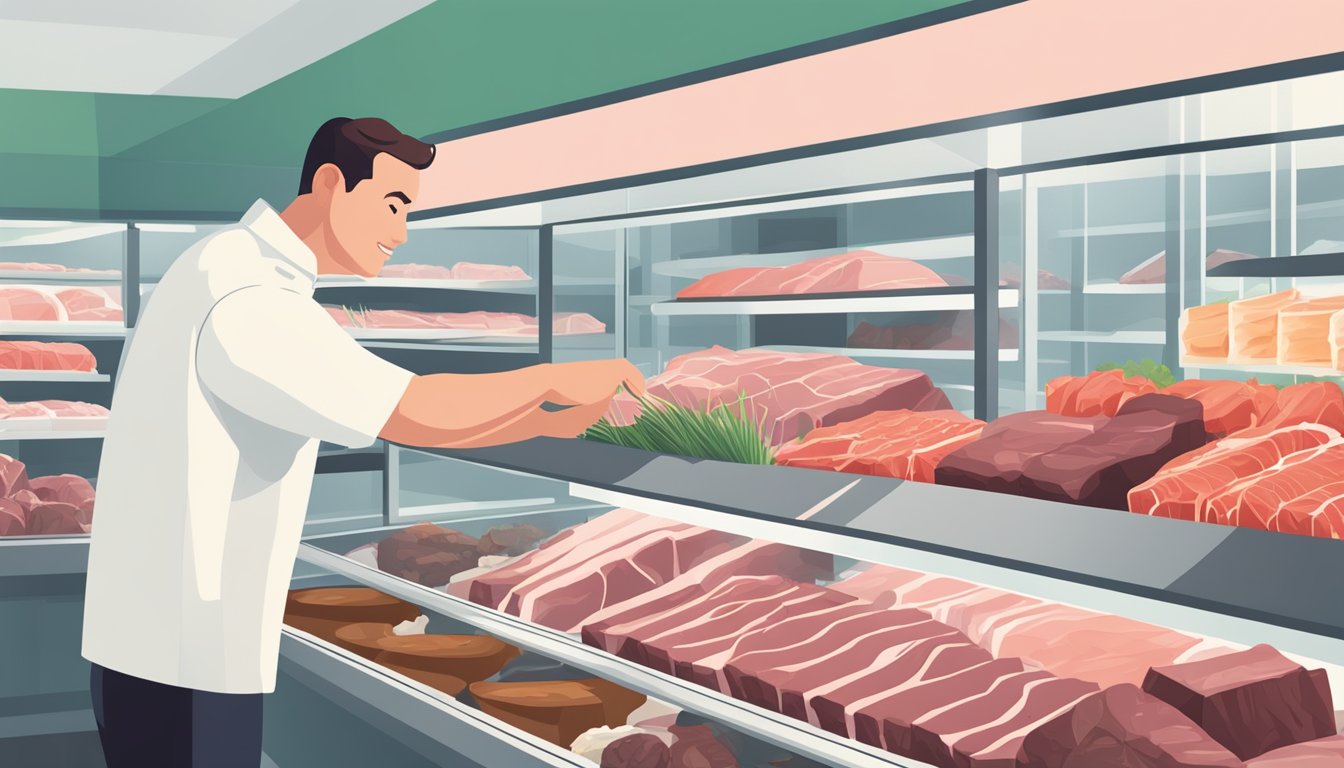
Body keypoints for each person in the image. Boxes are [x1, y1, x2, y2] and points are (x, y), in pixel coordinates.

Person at [81, 117, 644, 767]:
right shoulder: (247, 292)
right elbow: (409, 409)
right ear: (329, 184)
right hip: (182, 662)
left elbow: (406, 414)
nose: (401, 231)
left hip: (163, 649)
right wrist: (550, 379)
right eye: (393, 203)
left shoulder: (231, 266)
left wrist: (540, 421)